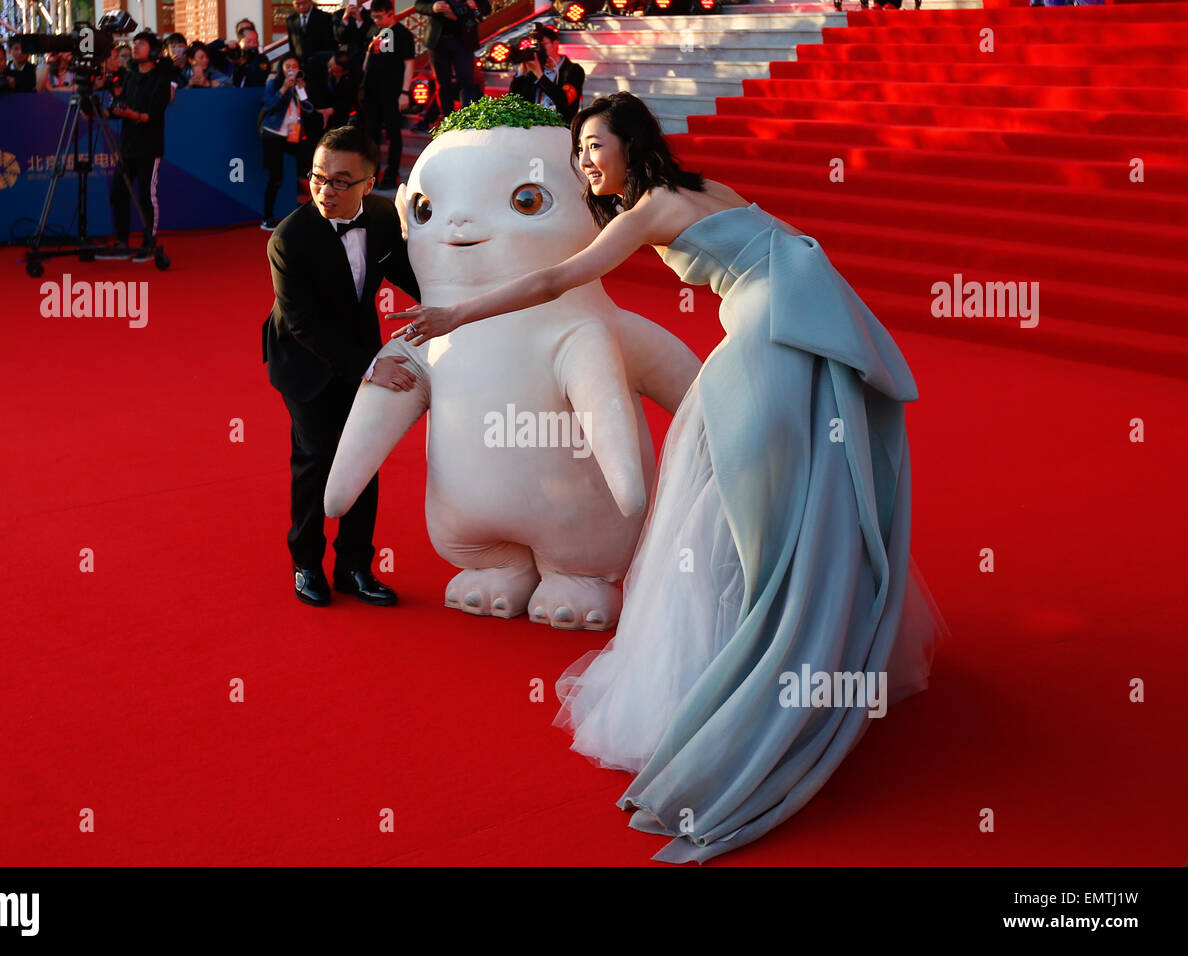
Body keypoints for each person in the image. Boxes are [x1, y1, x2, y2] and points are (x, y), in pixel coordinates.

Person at [387, 92, 947, 863]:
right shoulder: (703, 188)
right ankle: (798, 641)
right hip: (800, 335)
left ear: (630, 145)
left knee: (735, 497)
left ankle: (755, 674)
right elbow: (790, 248)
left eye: (594, 146)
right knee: (790, 493)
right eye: (579, 150)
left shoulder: (647, 209)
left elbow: (556, 282)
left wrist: (458, 316)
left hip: (764, 345)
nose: (586, 161)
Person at [262, 125, 421, 609]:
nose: (324, 190)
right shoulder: (289, 239)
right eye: (317, 177)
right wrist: (372, 367)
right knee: (316, 460)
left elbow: (403, 269)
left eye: (339, 181)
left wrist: (454, 307)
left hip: (359, 348)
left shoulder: (377, 217)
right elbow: (304, 325)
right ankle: (306, 564)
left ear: (369, 184)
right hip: (304, 362)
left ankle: (354, 566)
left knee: (363, 458)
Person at [100, 31, 169, 261]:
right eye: (135, 43)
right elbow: (120, 107)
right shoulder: (129, 77)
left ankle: (149, 242)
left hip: (149, 147)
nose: (136, 47)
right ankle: (121, 241)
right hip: (128, 147)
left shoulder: (160, 80)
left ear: (154, 51)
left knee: (146, 197)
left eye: (141, 43)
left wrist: (132, 114)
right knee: (118, 193)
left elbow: (154, 115)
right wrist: (104, 113)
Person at [259, 53, 326, 230]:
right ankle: (267, 217)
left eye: (295, 66)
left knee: (309, 166)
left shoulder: (299, 84)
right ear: (281, 67)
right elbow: (268, 106)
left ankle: (313, 209)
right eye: (288, 66)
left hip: (292, 135)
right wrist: (283, 88)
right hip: (273, 134)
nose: (291, 70)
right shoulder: (273, 82)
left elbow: (309, 109)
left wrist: (301, 90)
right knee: (276, 177)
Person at [362, 0, 415, 190]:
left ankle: (391, 174)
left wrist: (405, 92)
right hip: (372, 91)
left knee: (393, 134)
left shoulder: (402, 34)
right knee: (372, 133)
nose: (376, 20)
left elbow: (409, 64)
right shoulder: (373, 31)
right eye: (373, 16)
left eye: (379, 16)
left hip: (393, 92)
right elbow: (367, 62)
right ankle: (372, 173)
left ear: (390, 13)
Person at [414, 0, 491, 118]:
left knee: (466, 80)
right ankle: (447, 118)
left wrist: (475, 7)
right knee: (443, 82)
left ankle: (467, 118)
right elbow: (419, 5)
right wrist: (433, 7)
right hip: (438, 42)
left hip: (463, 42)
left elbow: (486, 9)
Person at [507, 24, 583, 125]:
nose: (539, 49)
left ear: (555, 44)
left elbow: (564, 101)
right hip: (534, 126)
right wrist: (521, 74)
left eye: (542, 45)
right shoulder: (534, 70)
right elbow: (514, 100)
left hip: (560, 127)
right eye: (536, 46)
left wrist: (540, 76)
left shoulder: (573, 70)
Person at [287, 0, 339, 80]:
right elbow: (292, 45)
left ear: (310, 2)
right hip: (301, 69)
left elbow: (331, 44)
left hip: (320, 68)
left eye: (304, 3)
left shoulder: (325, 17)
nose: (301, 6)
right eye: (297, 4)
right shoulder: (291, 20)